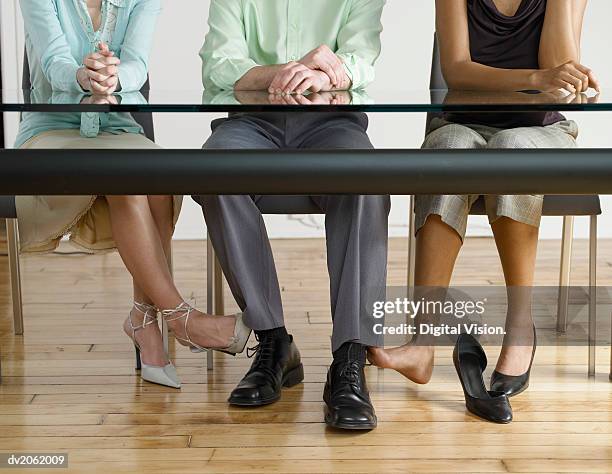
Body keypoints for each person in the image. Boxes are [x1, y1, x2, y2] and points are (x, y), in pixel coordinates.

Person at [369, 0, 599, 406]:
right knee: (447, 147)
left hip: (541, 132)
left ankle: (520, 329)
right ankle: (422, 344)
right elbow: (456, 70)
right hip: (464, 122)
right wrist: (535, 77)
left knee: (511, 148)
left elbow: (560, 77)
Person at [17, 0, 250, 389]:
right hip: (51, 131)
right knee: (126, 177)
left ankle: (143, 320)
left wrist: (112, 76)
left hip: (118, 127)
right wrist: (83, 75)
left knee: (157, 179)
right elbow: (53, 64)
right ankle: (181, 319)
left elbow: (137, 65)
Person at [195, 0, 388, 430]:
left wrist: (318, 75)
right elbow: (218, 66)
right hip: (251, 123)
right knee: (213, 171)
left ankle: (350, 357)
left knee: (367, 179)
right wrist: (299, 67)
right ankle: (273, 341)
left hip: (332, 122)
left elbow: (361, 63)